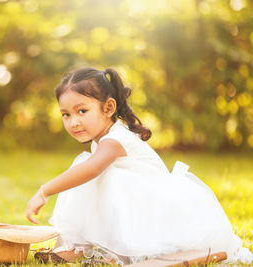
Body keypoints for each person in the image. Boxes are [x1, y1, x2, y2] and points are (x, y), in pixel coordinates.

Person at [25, 67, 253, 265]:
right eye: (66, 114)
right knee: (94, 174)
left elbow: (91, 170)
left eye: (82, 111)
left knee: (91, 171)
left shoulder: (115, 140)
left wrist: (44, 191)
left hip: (160, 210)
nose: (73, 121)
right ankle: (75, 247)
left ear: (108, 108)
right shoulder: (102, 142)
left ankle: (107, 252)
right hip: (142, 206)